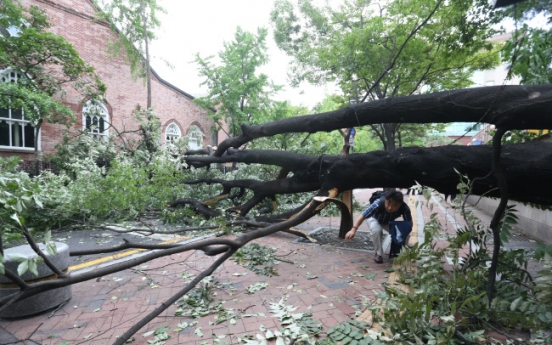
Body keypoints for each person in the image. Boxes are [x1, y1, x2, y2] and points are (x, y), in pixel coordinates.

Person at [345, 190, 412, 263]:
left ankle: (401, 250)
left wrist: (402, 238)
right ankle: (378, 253)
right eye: (388, 203)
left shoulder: (404, 208)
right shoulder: (377, 203)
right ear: (385, 201)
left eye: (394, 205)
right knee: (377, 230)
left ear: (400, 204)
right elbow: (362, 216)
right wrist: (353, 230)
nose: (389, 207)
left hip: (388, 222)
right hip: (374, 219)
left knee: (406, 233)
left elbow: (409, 223)